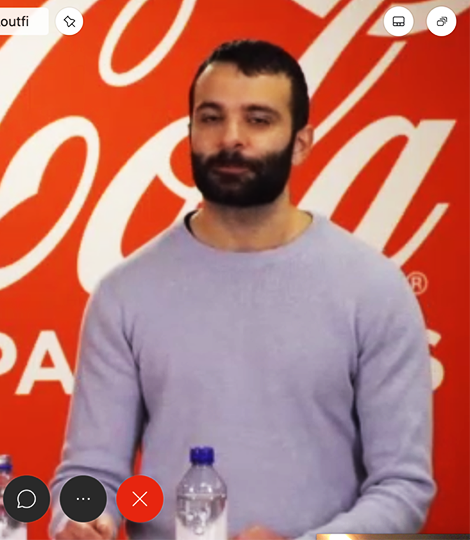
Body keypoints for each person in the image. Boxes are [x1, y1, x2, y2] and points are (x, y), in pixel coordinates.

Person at [49, 40, 435, 540]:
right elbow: (92, 472)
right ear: (190, 131)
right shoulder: (124, 294)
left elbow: (402, 487)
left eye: (258, 119)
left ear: (301, 142)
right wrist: (81, 516)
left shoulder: (375, 288)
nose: (231, 139)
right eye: (211, 118)